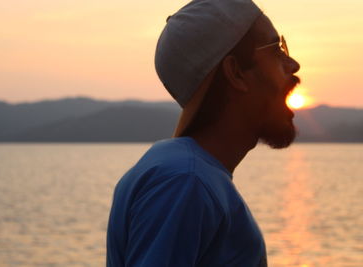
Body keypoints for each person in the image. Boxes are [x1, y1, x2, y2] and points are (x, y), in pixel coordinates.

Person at [107, 0, 301, 266]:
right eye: (276, 49)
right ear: (235, 73)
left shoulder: (189, 174)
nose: (293, 64)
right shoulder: (185, 181)